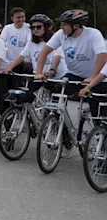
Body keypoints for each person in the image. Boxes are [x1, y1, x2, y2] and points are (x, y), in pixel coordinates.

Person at [35, 10, 107, 139]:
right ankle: (61, 130)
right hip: (74, 74)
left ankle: (101, 143)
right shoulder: (61, 34)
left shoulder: (93, 34)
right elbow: (44, 52)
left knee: (97, 112)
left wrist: (92, 77)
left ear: (76, 26)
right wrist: (39, 73)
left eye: (64, 25)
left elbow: (102, 57)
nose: (61, 27)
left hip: (96, 76)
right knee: (57, 94)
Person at [4, 14, 65, 98]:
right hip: (39, 75)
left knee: (54, 104)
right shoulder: (31, 43)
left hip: (55, 77)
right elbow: (21, 56)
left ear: (47, 27)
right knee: (26, 95)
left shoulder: (55, 40)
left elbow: (57, 56)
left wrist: (52, 70)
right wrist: (10, 68)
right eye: (33, 28)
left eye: (39, 27)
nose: (35, 29)